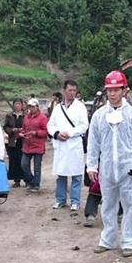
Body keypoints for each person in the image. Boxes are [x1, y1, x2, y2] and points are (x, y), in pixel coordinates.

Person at [87, 71, 132, 257]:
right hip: (107, 168)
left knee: (130, 205)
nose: (112, 94)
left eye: (116, 89)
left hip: (128, 168)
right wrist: (91, 165)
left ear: (124, 90)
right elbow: (93, 142)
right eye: (109, 90)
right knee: (107, 205)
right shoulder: (98, 116)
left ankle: (129, 241)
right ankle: (108, 240)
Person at [47, 80, 88, 211]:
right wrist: (57, 133)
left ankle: (75, 201)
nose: (72, 93)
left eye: (74, 91)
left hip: (74, 143)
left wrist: (70, 133)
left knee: (76, 175)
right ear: (64, 90)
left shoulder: (80, 106)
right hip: (61, 145)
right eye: (70, 90)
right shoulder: (58, 108)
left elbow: (84, 125)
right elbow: (50, 125)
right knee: (61, 174)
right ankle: (60, 199)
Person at [20, 98, 48, 192]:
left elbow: (46, 132)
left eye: (32, 106)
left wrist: (36, 133)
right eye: (29, 106)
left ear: (37, 106)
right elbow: (23, 128)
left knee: (37, 167)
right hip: (27, 145)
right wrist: (22, 133)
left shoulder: (43, 118)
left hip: (38, 145)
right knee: (24, 164)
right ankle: (32, 181)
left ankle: (36, 185)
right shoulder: (26, 117)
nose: (31, 108)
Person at [3, 98, 25, 188]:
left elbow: (29, 126)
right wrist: (12, 130)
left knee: (23, 161)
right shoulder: (9, 115)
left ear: (22, 105)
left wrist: (23, 130)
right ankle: (16, 180)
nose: (17, 105)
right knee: (14, 160)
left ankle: (26, 178)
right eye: (16, 104)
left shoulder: (26, 115)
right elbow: (5, 127)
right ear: (13, 105)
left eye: (19, 104)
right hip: (13, 141)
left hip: (24, 141)